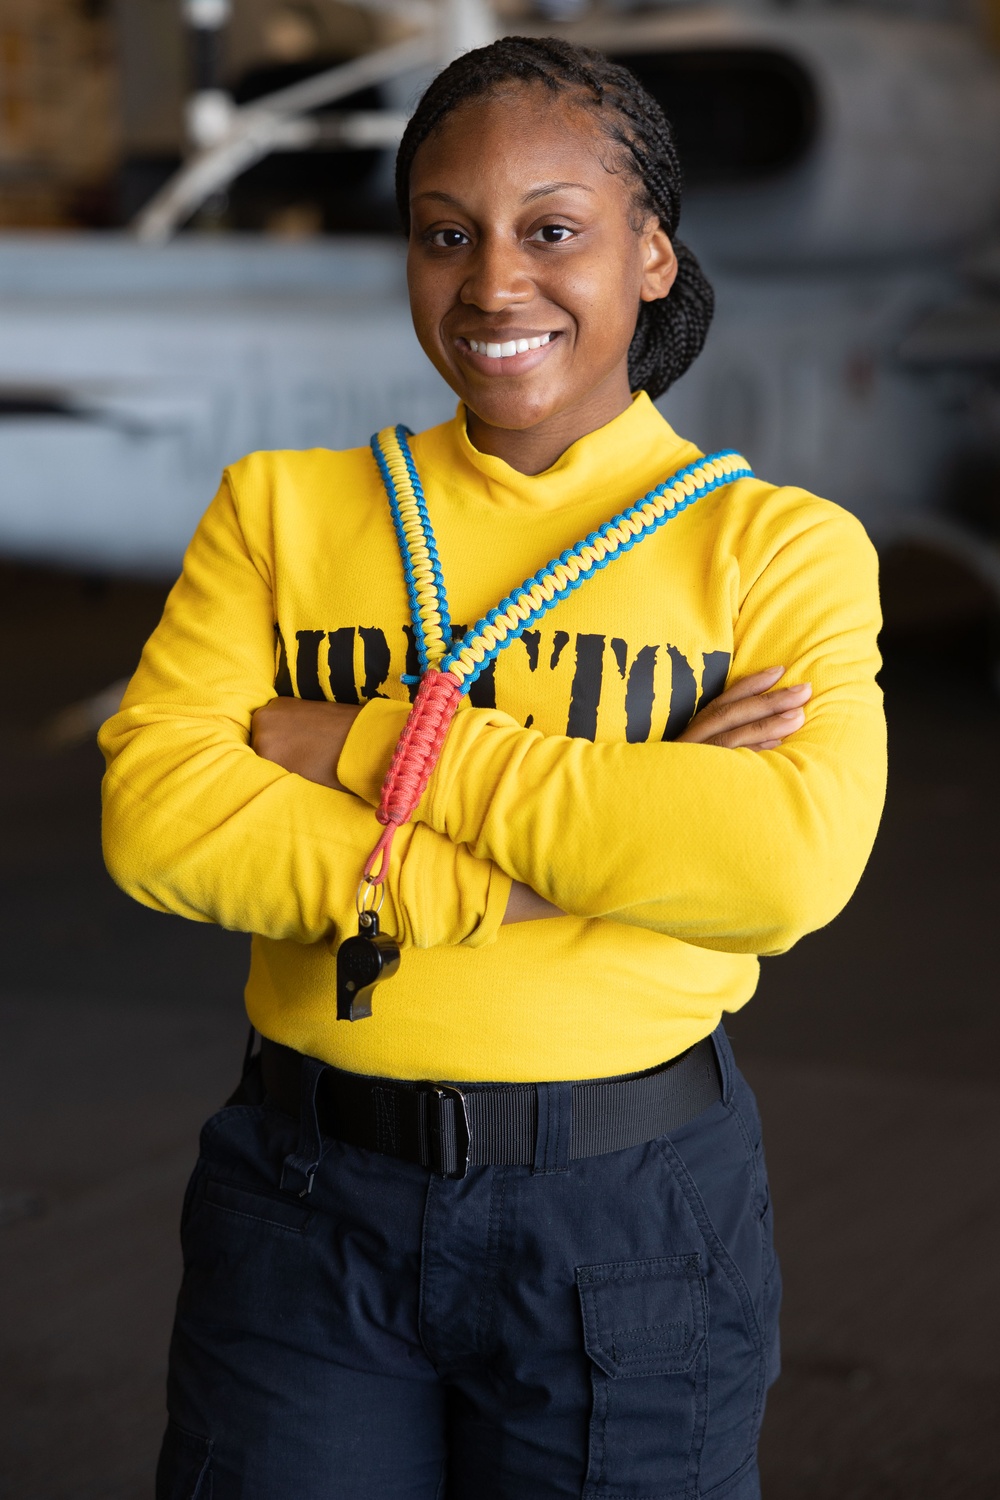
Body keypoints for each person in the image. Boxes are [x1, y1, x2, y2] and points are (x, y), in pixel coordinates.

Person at [100, 36, 886, 1500]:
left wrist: (372, 746)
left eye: (553, 232)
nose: (492, 284)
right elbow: (155, 824)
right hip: (304, 1199)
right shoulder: (282, 512)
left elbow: (778, 871)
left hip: (634, 1216)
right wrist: (566, 872)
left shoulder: (779, 551)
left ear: (650, 254)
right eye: (445, 234)